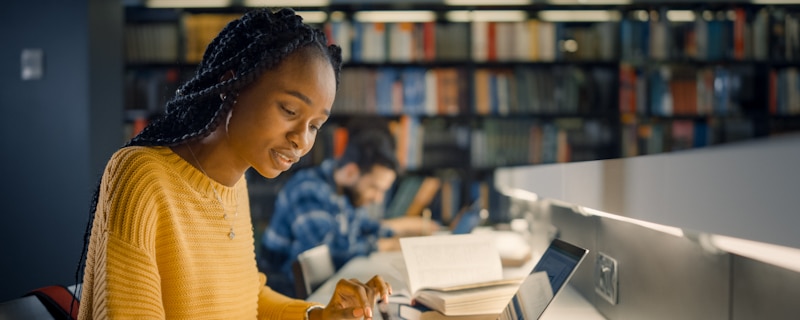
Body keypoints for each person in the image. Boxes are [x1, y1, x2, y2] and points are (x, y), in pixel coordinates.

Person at [74, 8, 391, 320]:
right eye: (290, 110)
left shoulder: (234, 184)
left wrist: (319, 316)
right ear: (233, 86)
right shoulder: (141, 176)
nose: (302, 141)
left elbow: (248, 298)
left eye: (314, 125)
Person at [261, 123, 437, 297]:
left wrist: (404, 227)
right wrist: (386, 245)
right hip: (284, 294)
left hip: (322, 288)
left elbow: (360, 226)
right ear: (352, 171)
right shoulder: (308, 190)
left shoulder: (344, 189)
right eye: (375, 188)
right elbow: (327, 253)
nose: (378, 198)